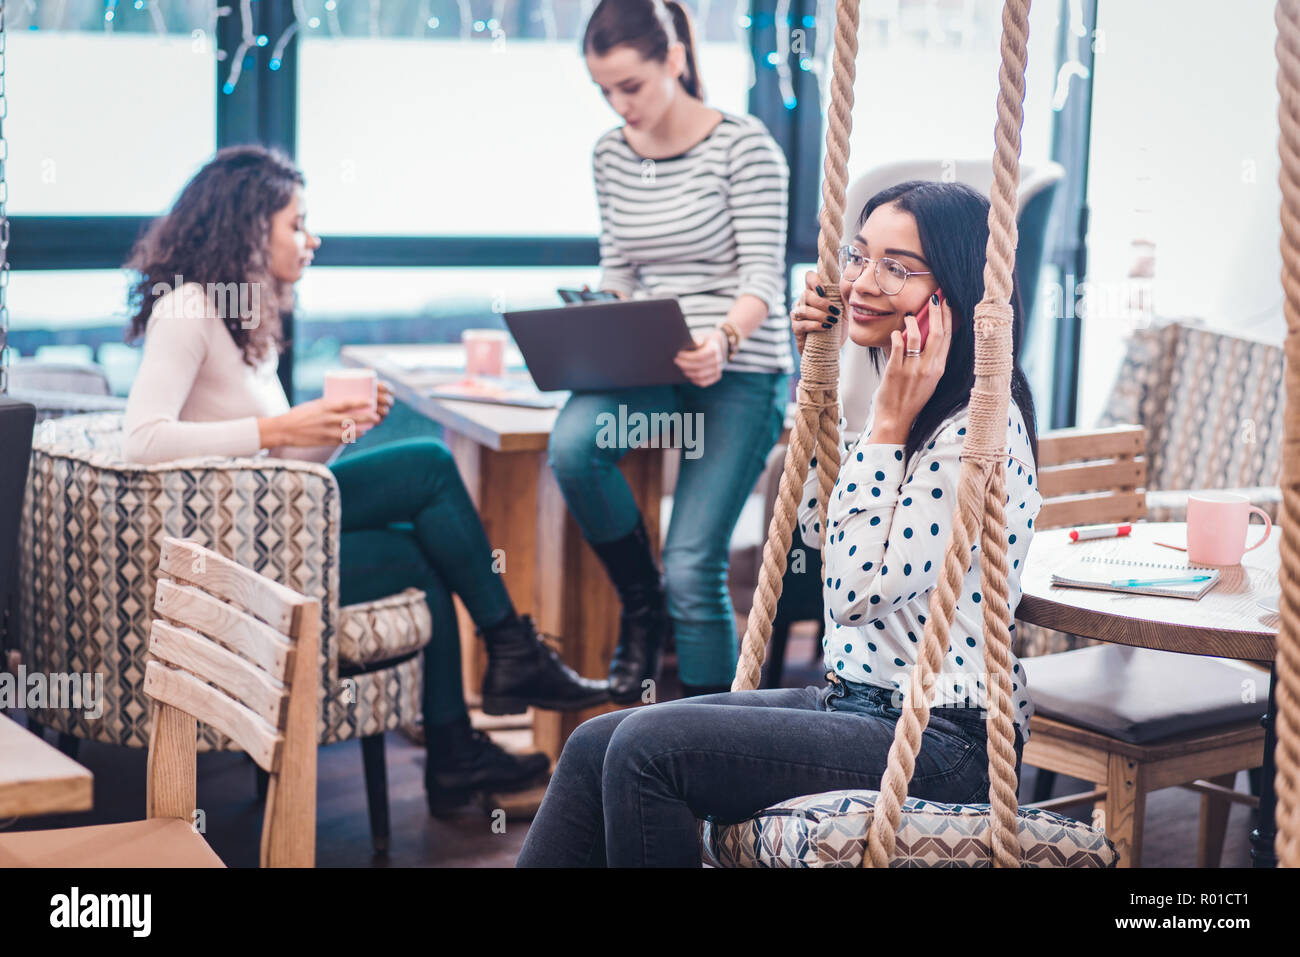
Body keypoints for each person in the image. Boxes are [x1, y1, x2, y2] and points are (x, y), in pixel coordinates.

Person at [517, 180, 1041, 866]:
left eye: (898, 267)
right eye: (859, 257)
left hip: (941, 739)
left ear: (958, 294)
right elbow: (828, 537)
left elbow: (852, 591)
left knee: (649, 753)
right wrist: (830, 382)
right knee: (597, 742)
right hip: (853, 702)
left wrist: (884, 424)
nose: (862, 282)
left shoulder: (976, 433)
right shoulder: (908, 407)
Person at [122, 145, 610, 814]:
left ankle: (454, 755)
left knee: (422, 555)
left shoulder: (247, 320)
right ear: (246, 226)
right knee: (430, 465)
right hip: (235, 563)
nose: (311, 238)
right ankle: (510, 651)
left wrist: (330, 431)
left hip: (274, 533)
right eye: (297, 223)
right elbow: (142, 441)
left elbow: (287, 477)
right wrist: (285, 427)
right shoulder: (186, 310)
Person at [547, 0, 794, 703]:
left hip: (741, 368)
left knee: (692, 565)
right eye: (604, 91)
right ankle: (640, 602)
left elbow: (762, 282)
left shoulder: (745, 147)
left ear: (675, 60)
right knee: (572, 445)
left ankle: (710, 746)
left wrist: (721, 338)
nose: (618, 105)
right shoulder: (610, 155)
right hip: (652, 365)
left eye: (630, 86)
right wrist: (605, 316)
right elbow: (620, 271)